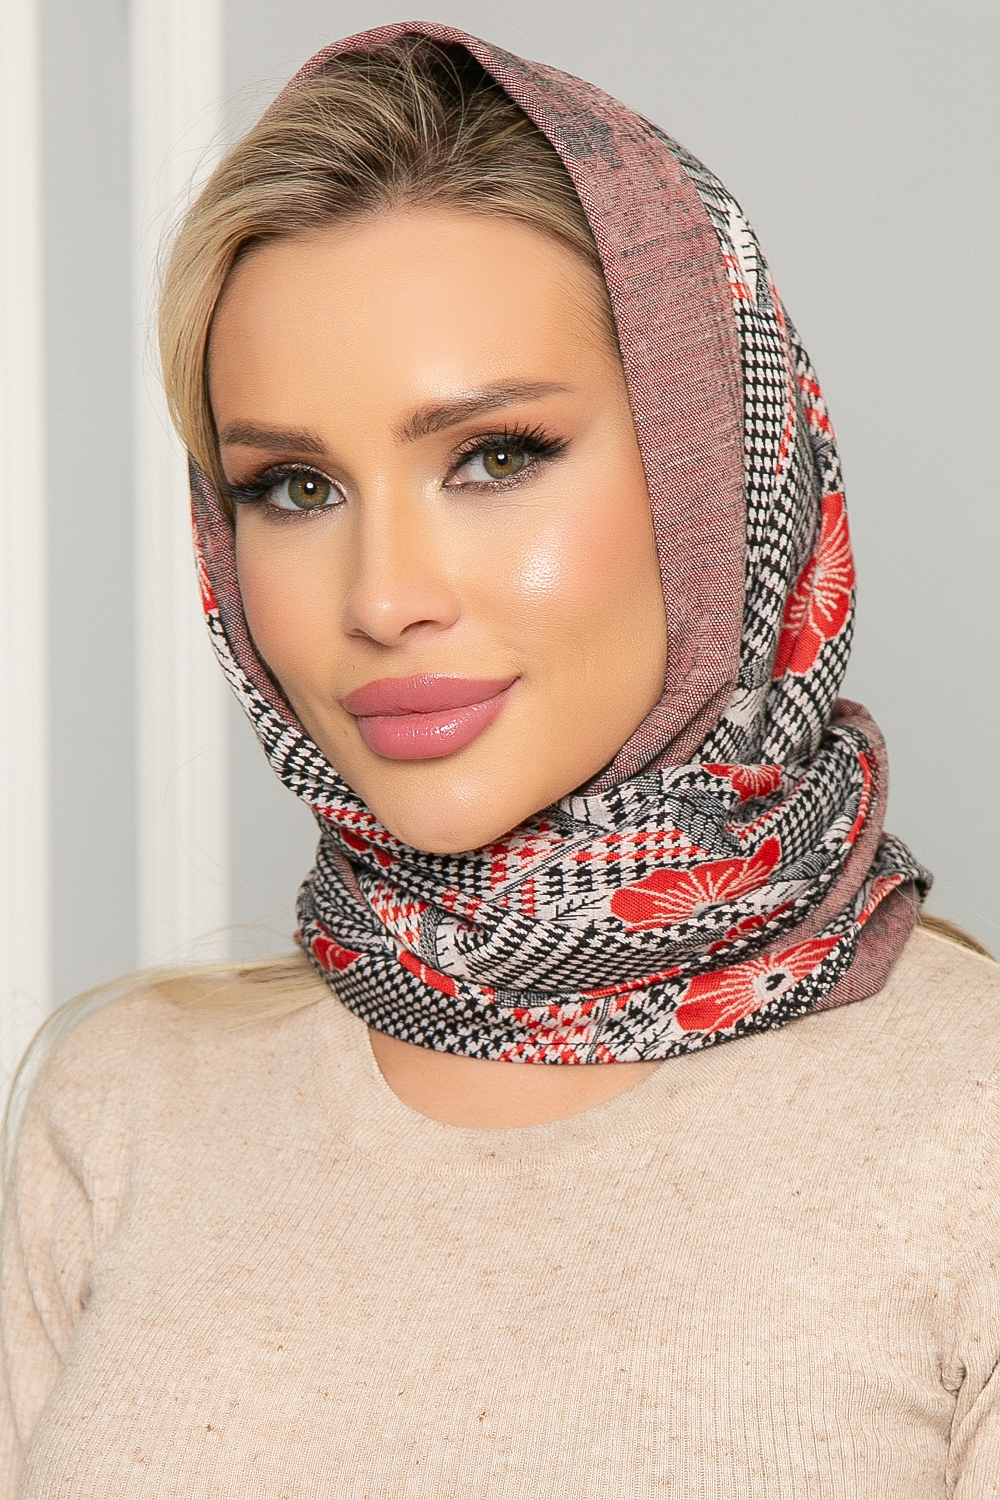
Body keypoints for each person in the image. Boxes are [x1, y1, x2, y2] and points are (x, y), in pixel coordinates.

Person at [2, 21, 997, 1498]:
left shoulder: (970, 1124)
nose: (381, 596)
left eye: (495, 457)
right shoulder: (125, 1106)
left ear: (713, 476)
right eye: (294, 487)